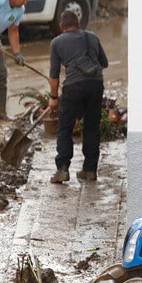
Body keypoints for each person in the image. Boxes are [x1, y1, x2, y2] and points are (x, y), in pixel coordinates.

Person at [48, 10, 108, 183]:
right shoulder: (93, 37)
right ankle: (90, 170)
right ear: (79, 24)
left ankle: (62, 169)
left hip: (73, 87)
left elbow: (54, 76)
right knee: (91, 128)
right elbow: (103, 63)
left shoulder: (56, 42)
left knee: (65, 128)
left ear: (61, 26)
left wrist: (53, 97)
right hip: (96, 85)